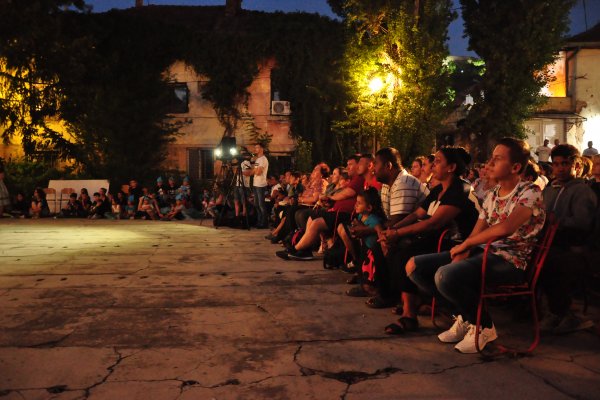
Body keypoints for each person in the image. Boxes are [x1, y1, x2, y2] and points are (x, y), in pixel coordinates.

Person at [408, 138, 546, 353]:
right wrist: (465, 248)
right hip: (483, 252)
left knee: (445, 275)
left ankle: (484, 326)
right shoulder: (492, 194)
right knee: (415, 267)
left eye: (497, 159)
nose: (490, 163)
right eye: (491, 158)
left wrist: (469, 245)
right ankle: (466, 317)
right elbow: (478, 229)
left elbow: (506, 228)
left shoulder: (530, 192)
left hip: (509, 261)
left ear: (516, 167)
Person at [377, 147, 480, 331]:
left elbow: (433, 223)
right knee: (396, 249)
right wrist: (393, 229)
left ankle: (410, 315)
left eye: (438, 161)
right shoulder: (438, 189)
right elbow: (417, 213)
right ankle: (410, 302)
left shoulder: (460, 189)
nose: (433, 165)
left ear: (451, 167)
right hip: (438, 238)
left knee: (405, 254)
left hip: (458, 244)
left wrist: (398, 233)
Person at [539, 144, 597, 334]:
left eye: (565, 164)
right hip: (551, 244)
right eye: (555, 164)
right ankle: (547, 310)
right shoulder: (549, 189)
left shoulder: (581, 191)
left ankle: (563, 313)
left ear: (577, 166)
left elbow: (582, 222)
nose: (560, 168)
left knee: (551, 263)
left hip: (573, 248)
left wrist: (558, 221)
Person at [276, 155, 364, 261]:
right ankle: (303, 249)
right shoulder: (354, 179)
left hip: (344, 214)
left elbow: (346, 193)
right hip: (334, 210)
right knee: (307, 216)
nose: (347, 167)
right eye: (347, 164)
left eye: (350, 164)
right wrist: (329, 201)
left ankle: (295, 249)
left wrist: (329, 198)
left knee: (310, 217)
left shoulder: (358, 179)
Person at [252, 143, 269, 228]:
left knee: (261, 204)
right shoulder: (257, 159)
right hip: (255, 184)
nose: (255, 149)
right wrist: (255, 170)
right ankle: (259, 221)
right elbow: (254, 171)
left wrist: (254, 170)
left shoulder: (263, 159)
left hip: (260, 184)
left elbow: (258, 172)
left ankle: (264, 223)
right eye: (255, 147)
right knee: (256, 204)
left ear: (262, 149)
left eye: (257, 147)